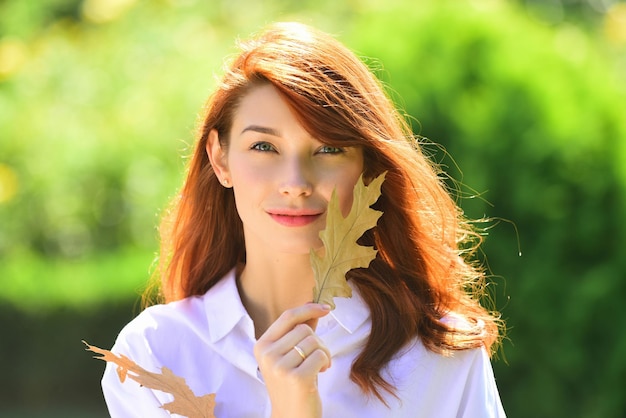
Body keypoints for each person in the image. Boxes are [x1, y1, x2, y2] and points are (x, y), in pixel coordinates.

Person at [101, 21, 506, 417]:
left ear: (366, 169)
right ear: (220, 158)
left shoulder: (442, 356)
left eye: (329, 150)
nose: (295, 183)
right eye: (264, 146)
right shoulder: (152, 355)